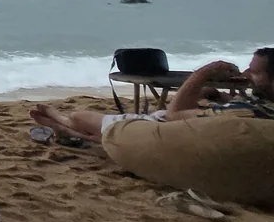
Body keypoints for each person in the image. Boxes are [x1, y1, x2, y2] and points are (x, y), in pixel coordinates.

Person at [31, 48, 274, 141]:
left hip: (164, 130)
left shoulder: (246, 112)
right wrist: (220, 98)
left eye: (255, 72)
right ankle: (69, 131)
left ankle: (64, 122)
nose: (246, 74)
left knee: (80, 115)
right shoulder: (261, 107)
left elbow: (174, 114)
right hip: (197, 128)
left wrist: (203, 73)